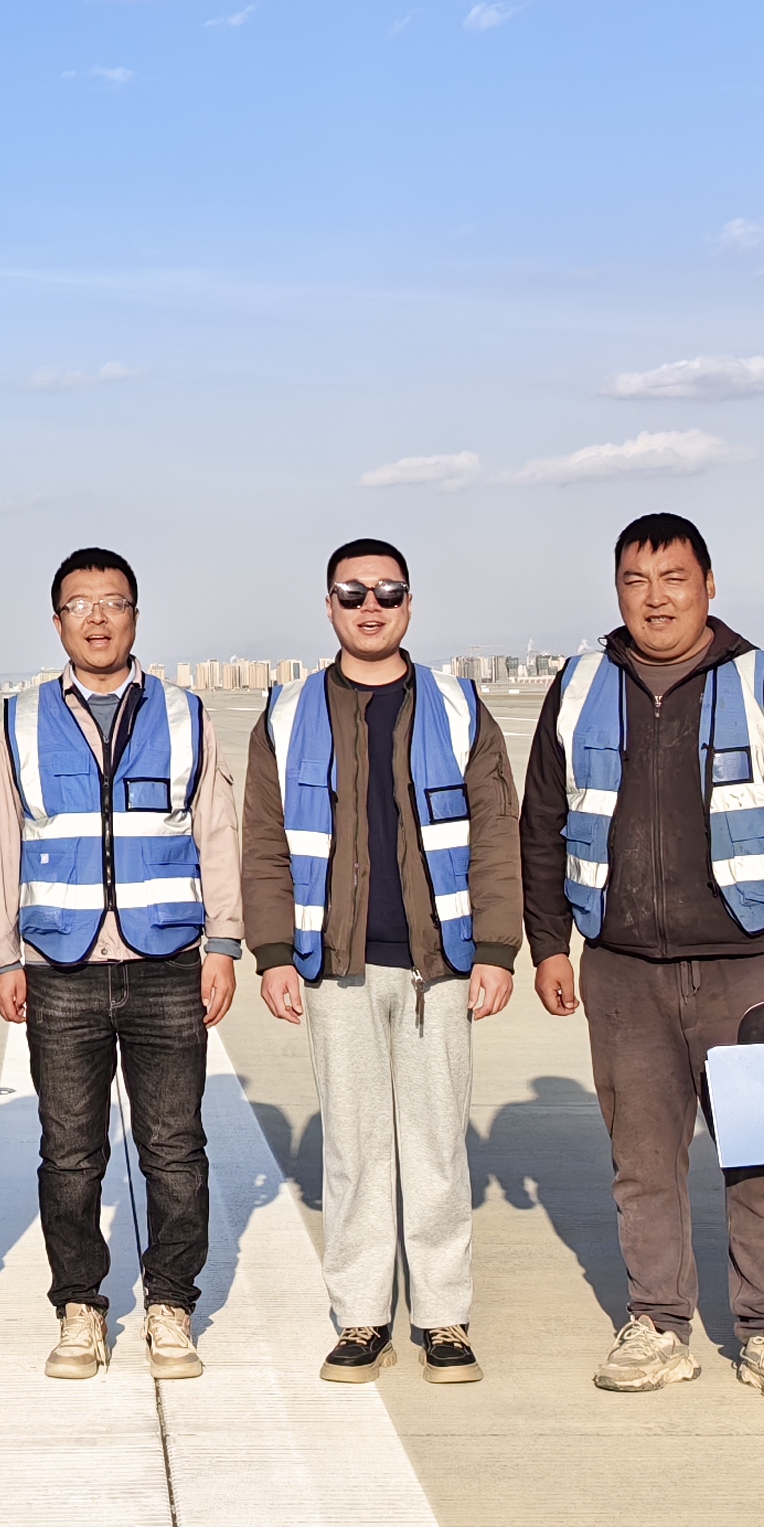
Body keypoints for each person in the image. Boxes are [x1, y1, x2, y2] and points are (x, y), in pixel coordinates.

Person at [521, 513, 764, 1405]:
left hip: (747, 963)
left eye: (674, 579)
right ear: (617, 590)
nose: (655, 599)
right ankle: (658, 1322)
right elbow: (542, 820)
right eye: (636, 581)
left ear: (708, 586)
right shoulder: (580, 684)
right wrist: (549, 943)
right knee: (644, 1163)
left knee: (761, 1157)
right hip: (621, 967)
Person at [243, 538, 523, 1386]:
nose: (372, 607)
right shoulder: (288, 712)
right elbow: (264, 841)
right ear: (328, 605)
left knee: (436, 1146)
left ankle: (443, 1318)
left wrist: (498, 949)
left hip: (442, 964)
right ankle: (362, 1316)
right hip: (336, 966)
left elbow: (496, 831)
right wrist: (272, 954)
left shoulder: (458, 705)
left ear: (409, 604)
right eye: (353, 592)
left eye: (388, 592)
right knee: (356, 1147)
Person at [0, 546, 246, 1382]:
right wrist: (0, 957)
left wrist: (225, 943)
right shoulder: (20, 719)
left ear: (135, 615)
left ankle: (170, 1304)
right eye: (79, 604)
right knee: (69, 1152)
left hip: (169, 961)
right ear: (58, 620)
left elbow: (216, 831)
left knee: (174, 1147)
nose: (97, 618)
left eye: (113, 602)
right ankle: (80, 1306)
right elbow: (0, 841)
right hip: (60, 966)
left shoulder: (185, 713)